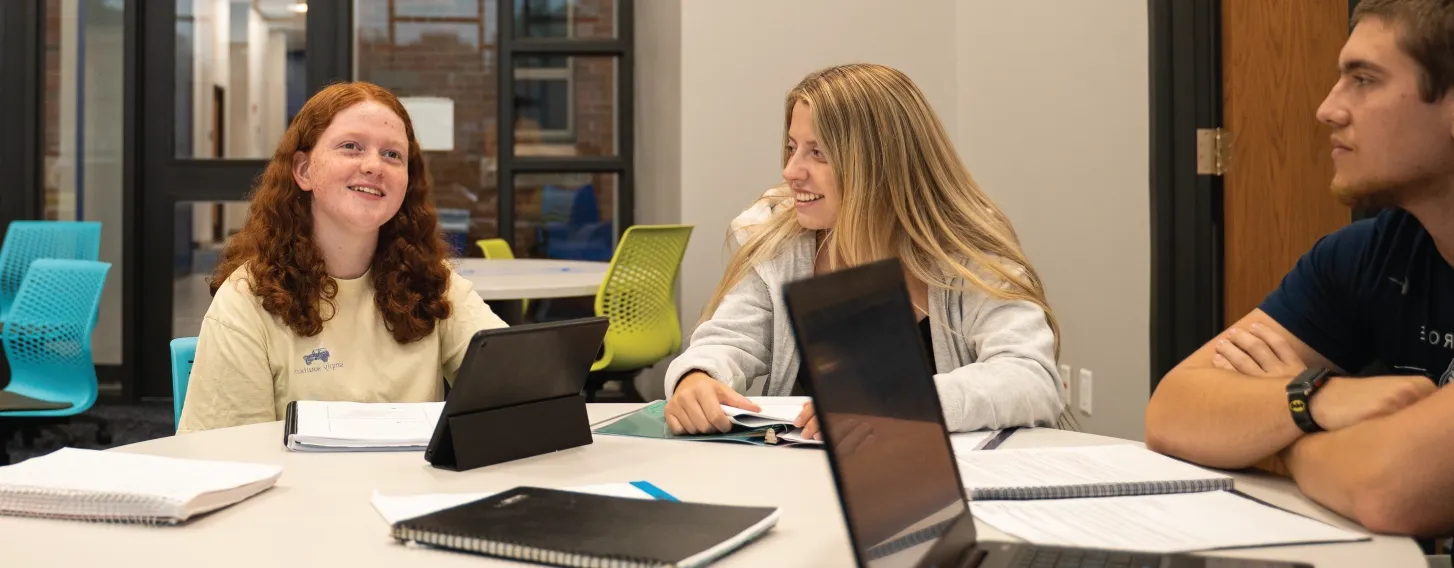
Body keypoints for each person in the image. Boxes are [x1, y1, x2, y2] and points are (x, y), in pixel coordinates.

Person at [1145, 0, 1454, 536]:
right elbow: (1173, 410)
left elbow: (1389, 491)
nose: (1327, 109)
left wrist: (1285, 436)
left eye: (1363, 79)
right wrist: (1317, 397)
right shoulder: (1370, 252)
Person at [662, 64, 1066, 438]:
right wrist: (696, 377)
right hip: (804, 479)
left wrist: (898, 401)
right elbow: (728, 340)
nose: (790, 171)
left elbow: (1030, 379)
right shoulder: (782, 243)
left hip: (949, 490)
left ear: (879, 165)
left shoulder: (967, 256)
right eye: (792, 147)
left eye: (817, 152)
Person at [177, 82, 507, 433]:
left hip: (412, 487)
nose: (374, 166)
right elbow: (230, 460)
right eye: (351, 147)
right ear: (303, 171)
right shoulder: (247, 299)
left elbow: (515, 383)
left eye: (393, 155)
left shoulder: (433, 284)